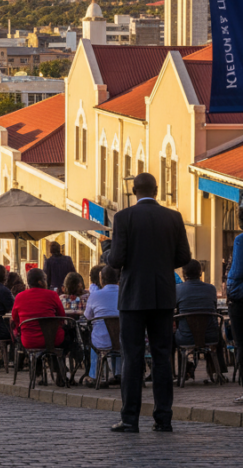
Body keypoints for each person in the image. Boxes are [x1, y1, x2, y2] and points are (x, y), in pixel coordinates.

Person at [107, 172, 191, 433]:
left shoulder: (123, 217)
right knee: (163, 358)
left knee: (132, 358)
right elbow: (184, 256)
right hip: (164, 295)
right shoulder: (173, 217)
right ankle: (163, 418)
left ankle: (130, 419)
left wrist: (108, 252)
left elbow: (117, 259)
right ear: (157, 190)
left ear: (134, 191)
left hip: (133, 297)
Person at [173, 259, 223, 380]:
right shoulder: (211, 289)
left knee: (169, 338)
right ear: (200, 273)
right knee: (219, 335)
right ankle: (218, 370)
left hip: (186, 337)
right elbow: (214, 309)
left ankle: (176, 372)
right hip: (210, 336)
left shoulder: (177, 290)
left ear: (184, 274)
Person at [10, 267, 70, 366]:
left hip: (28, 340)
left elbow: (15, 319)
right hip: (53, 339)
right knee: (69, 337)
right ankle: (59, 369)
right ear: (40, 282)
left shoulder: (19, 297)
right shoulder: (52, 295)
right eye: (45, 280)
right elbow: (61, 317)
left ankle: (37, 367)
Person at [83, 265, 121, 386]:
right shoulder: (126, 293)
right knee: (118, 338)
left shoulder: (94, 296)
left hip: (101, 343)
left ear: (101, 280)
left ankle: (95, 375)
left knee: (95, 337)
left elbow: (87, 317)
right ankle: (119, 373)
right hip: (124, 341)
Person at [227, 205, 243, 405]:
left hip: (241, 300)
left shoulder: (240, 240)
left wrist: (229, 287)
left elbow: (237, 272)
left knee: (241, 344)